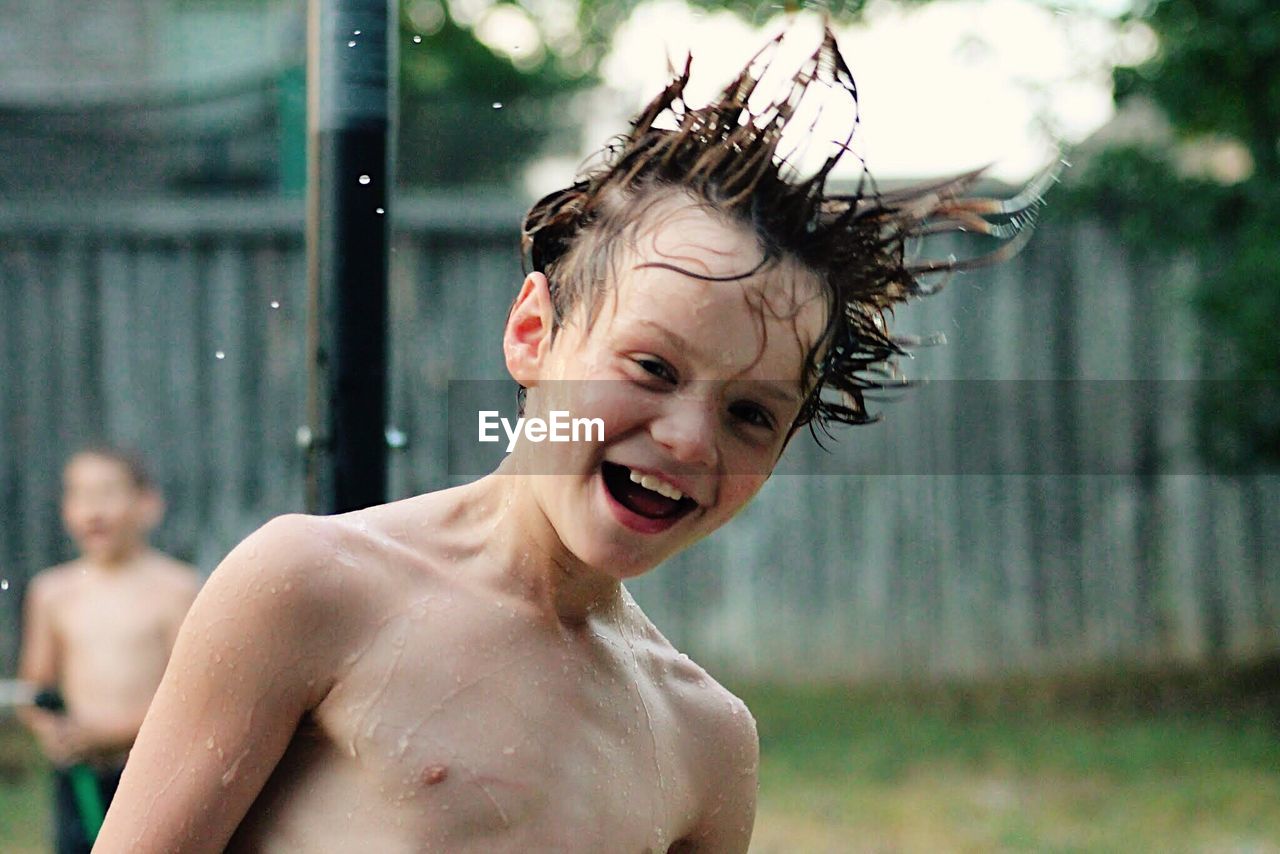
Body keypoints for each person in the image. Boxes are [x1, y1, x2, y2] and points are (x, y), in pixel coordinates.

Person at [96, 25, 1042, 853]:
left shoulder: (706, 743)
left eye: (750, 414)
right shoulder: (310, 588)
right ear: (532, 335)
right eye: (653, 369)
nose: (685, 437)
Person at [18, 447, 202, 854]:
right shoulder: (52, 593)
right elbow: (37, 690)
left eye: (107, 493)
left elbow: (192, 698)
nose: (92, 508)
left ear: (148, 505)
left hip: (150, 774)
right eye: (79, 495)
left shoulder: (176, 590)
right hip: (79, 775)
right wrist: (55, 734)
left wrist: (113, 735)